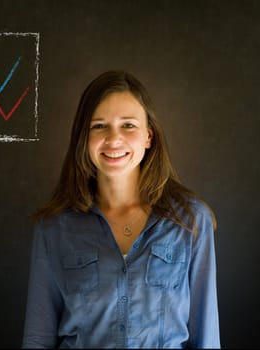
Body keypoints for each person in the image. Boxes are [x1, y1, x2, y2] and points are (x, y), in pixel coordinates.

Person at [21, 70, 220, 349]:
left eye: (128, 125)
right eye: (99, 126)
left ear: (149, 136)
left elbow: (207, 339)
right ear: (84, 138)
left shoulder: (190, 221)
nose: (114, 138)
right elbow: (38, 339)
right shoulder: (54, 228)